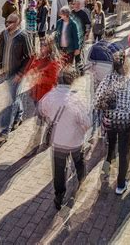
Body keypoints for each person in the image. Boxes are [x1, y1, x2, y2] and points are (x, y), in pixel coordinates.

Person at [38, 66, 91, 210]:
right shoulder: (77, 99)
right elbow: (87, 123)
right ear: (72, 81)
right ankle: (81, 180)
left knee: (59, 171)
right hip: (75, 142)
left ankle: (59, 196)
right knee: (79, 163)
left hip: (58, 141)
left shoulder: (50, 96)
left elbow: (42, 109)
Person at [94, 51, 130, 195]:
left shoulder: (107, 80)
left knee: (110, 145)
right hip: (126, 124)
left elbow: (96, 102)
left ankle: (107, 167)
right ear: (127, 67)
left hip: (109, 122)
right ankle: (120, 184)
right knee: (124, 152)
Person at [0, 12, 33, 143]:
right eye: (7, 21)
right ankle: (19, 116)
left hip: (17, 73)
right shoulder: (4, 34)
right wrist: (1, 67)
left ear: (17, 23)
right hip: (7, 72)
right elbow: (1, 52)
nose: (8, 24)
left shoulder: (23, 36)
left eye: (11, 22)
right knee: (15, 97)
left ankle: (5, 132)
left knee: (11, 102)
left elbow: (30, 57)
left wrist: (21, 73)